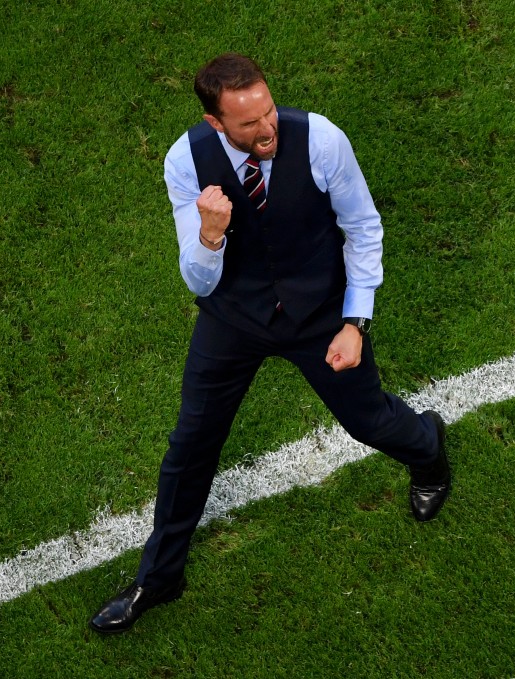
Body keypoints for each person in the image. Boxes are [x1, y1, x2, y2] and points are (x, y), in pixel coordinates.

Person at [89, 53, 451, 634]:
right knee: (190, 446)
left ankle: (428, 447)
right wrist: (210, 235)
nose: (267, 129)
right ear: (215, 123)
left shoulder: (322, 140)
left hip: (320, 314)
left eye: (269, 112)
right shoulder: (185, 161)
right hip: (234, 319)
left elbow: (362, 228)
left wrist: (355, 322)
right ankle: (158, 579)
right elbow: (198, 280)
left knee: (368, 421)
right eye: (249, 123)